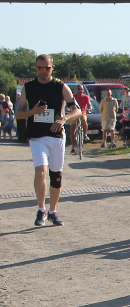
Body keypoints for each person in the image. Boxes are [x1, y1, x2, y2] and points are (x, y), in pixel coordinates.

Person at [14, 54, 81, 227]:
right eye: (40, 68)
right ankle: (41, 209)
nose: (43, 71)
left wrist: (63, 119)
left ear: (53, 68)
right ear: (36, 68)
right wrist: (32, 112)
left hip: (56, 137)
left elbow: (77, 110)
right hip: (37, 137)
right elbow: (19, 113)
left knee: (56, 176)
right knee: (40, 171)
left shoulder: (60, 86)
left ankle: (53, 211)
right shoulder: (28, 88)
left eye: (47, 68)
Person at [69, 83, 91, 154]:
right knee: (72, 130)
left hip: (82, 112)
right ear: (76, 90)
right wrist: (68, 109)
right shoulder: (73, 97)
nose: (80, 90)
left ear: (83, 90)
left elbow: (89, 105)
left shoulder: (86, 97)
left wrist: (89, 109)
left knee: (84, 120)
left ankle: (85, 135)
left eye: (81, 89)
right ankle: (73, 147)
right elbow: (68, 104)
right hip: (74, 113)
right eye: (78, 89)